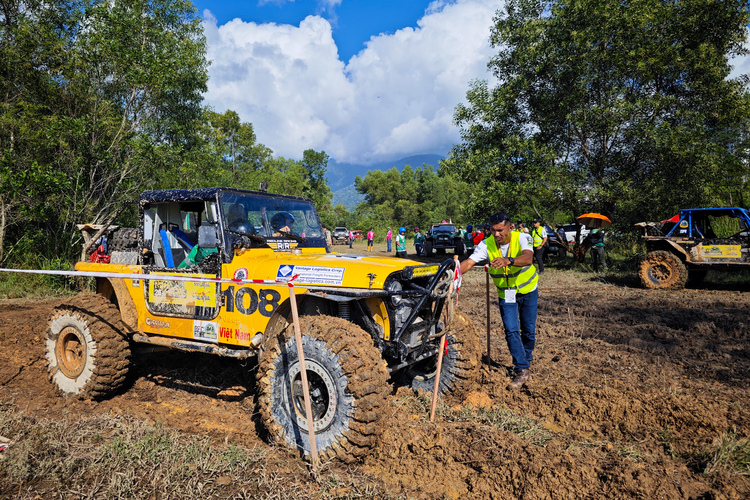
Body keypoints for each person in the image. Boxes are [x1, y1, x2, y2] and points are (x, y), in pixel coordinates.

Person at [460, 212, 538, 390]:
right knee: (511, 330)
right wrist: (453, 274)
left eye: (500, 230)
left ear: (510, 227)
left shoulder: (523, 237)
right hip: (506, 294)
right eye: (493, 230)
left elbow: (528, 258)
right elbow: (469, 263)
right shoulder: (486, 244)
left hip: (528, 290)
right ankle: (522, 368)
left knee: (528, 331)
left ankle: (526, 359)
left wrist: (508, 261)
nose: (496, 235)